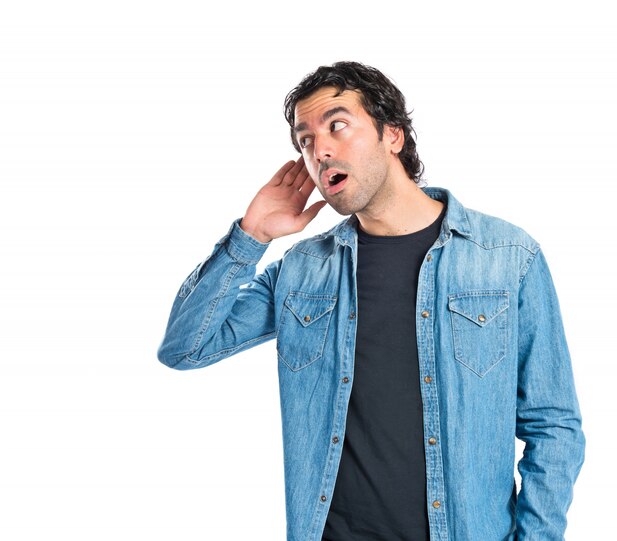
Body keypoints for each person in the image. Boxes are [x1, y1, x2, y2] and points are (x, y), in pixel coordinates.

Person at [157, 61, 585, 541]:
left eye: (337, 125)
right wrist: (250, 236)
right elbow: (184, 348)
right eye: (304, 140)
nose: (319, 149)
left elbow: (554, 428)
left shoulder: (507, 257)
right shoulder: (302, 271)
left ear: (393, 135)